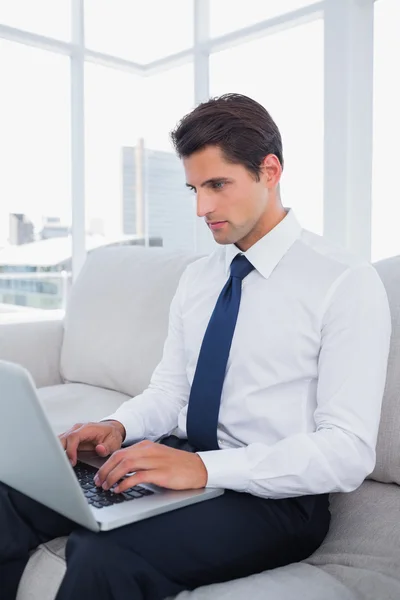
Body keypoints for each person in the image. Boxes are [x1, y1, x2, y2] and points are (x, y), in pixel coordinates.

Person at [0, 94, 391, 600]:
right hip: (179, 458)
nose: (202, 208)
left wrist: (204, 468)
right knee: (12, 493)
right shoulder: (199, 277)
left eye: (217, 185)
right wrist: (120, 426)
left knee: (103, 556)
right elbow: (169, 390)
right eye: (193, 188)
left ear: (269, 171)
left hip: (274, 498)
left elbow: (348, 451)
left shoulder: (344, 281)